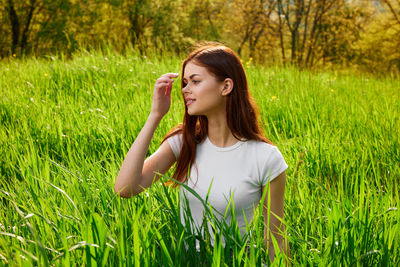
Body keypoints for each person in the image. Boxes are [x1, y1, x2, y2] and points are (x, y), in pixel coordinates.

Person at [114, 42, 290, 263]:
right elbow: (125, 188)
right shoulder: (184, 143)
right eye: (185, 83)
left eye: (195, 81)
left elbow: (275, 239)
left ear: (226, 86)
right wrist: (155, 115)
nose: (185, 89)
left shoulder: (266, 158)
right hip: (184, 260)